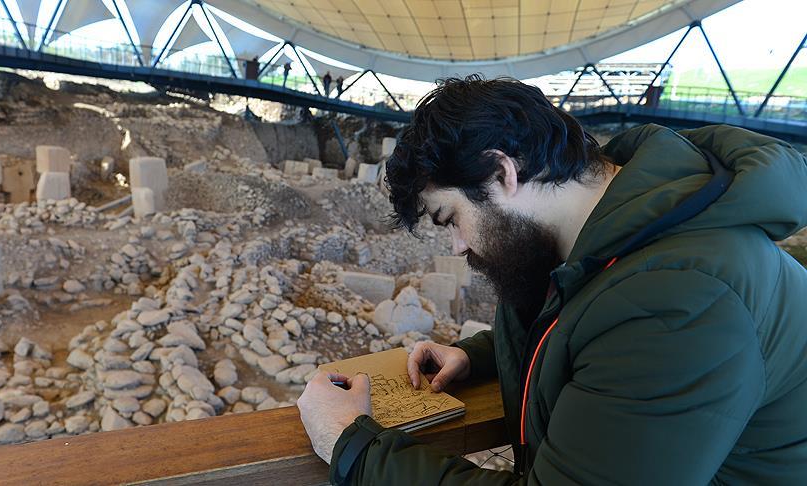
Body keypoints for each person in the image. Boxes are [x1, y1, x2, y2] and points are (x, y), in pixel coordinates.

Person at [297, 74, 807, 485]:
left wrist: (351, 443)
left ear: (503, 173)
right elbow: (579, 316)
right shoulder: (624, 230)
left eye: (449, 218)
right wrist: (480, 356)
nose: (456, 246)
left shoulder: (676, 300)